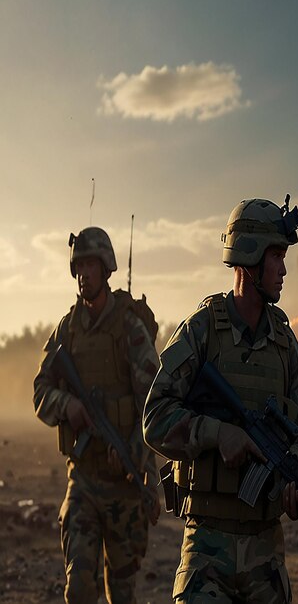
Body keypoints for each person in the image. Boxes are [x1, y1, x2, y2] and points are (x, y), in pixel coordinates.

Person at [143, 197, 298, 603]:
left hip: (265, 554)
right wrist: (218, 434)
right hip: (206, 550)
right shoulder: (200, 332)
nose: (284, 269)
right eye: (276, 256)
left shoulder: (286, 347)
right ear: (250, 257)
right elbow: (155, 417)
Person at [33, 227, 161, 604]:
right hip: (84, 482)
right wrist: (67, 406)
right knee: (80, 588)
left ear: (106, 269)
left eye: (90, 264)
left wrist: (134, 455)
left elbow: (154, 403)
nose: (83, 273)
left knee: (121, 593)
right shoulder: (67, 330)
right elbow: (41, 389)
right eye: (79, 266)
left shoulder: (130, 328)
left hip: (125, 483)